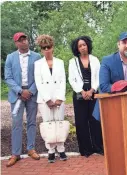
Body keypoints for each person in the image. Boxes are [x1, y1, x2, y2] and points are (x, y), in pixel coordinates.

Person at [4, 32, 41, 167]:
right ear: (16, 43)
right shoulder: (10, 57)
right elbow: (8, 77)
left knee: (32, 122)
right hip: (17, 95)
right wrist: (20, 91)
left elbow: (39, 76)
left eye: (25, 39)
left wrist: (30, 91)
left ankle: (31, 149)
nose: (24, 41)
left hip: (31, 94)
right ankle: (16, 153)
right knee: (16, 124)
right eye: (20, 40)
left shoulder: (37, 57)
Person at [93, 32, 127, 121]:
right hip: (110, 105)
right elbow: (104, 85)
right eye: (124, 43)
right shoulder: (107, 60)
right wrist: (123, 88)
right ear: (118, 44)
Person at [34, 35, 68, 163]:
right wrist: (47, 99)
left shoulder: (60, 62)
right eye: (44, 48)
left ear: (52, 47)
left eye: (49, 47)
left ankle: (61, 149)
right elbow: (39, 82)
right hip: (44, 100)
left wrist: (59, 98)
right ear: (41, 50)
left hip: (58, 98)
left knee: (59, 122)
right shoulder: (37, 64)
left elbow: (62, 81)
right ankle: (51, 150)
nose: (47, 49)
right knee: (48, 124)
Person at [68, 36, 103, 157]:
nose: (83, 47)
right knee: (81, 121)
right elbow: (71, 79)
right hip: (79, 94)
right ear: (77, 48)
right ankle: (85, 149)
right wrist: (82, 91)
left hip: (94, 93)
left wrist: (92, 90)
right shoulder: (73, 62)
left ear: (88, 45)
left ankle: (98, 147)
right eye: (80, 46)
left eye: (84, 45)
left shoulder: (95, 60)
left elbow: (99, 77)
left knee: (95, 120)